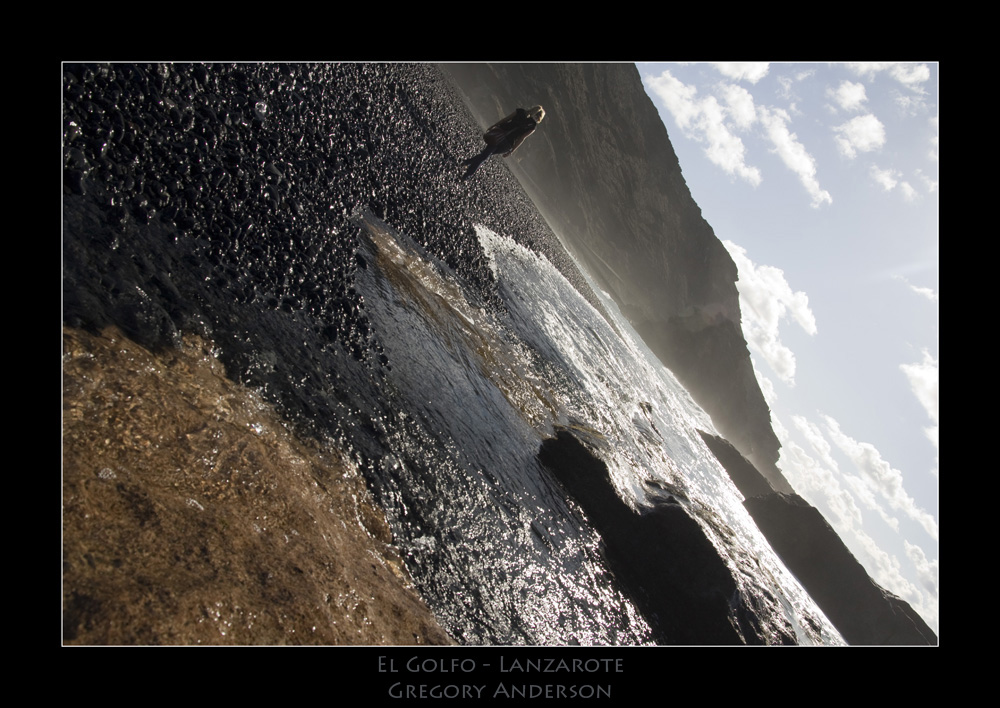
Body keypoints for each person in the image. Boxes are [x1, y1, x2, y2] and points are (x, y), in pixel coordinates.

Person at [461, 105, 545, 179]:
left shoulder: (530, 124)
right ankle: (467, 173)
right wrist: (494, 126)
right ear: (534, 112)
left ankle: (467, 164)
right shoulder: (526, 118)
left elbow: (521, 137)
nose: (536, 118)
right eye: (537, 115)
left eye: (538, 117)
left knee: (486, 154)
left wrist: (512, 151)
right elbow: (506, 120)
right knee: (485, 155)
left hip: (506, 142)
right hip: (502, 138)